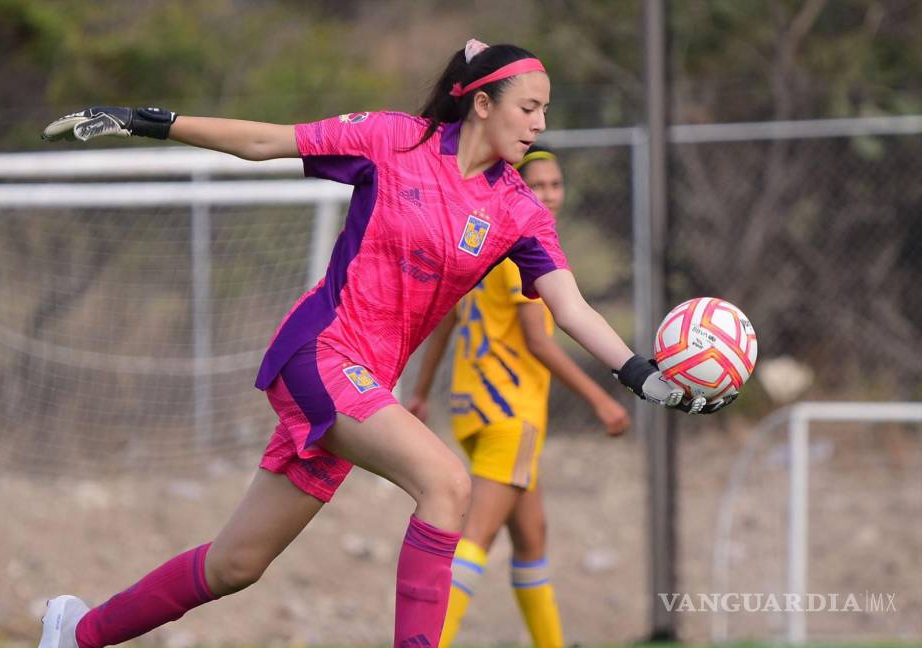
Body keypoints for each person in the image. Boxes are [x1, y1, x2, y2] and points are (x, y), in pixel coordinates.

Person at [37, 38, 728, 648]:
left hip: (368, 385)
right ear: (482, 104)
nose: (541, 123)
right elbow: (266, 141)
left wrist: (643, 375)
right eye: (530, 107)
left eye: (545, 110)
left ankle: (78, 633)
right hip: (319, 353)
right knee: (446, 481)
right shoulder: (395, 139)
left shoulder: (517, 208)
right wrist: (144, 119)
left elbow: (570, 307)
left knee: (236, 565)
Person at [406, 144, 630, 648]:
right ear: (519, 188)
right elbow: (537, 338)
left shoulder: (482, 238)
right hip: (511, 414)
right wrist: (602, 398)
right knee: (475, 540)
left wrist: (421, 392)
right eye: (539, 185)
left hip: (473, 411)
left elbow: (445, 318)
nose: (549, 194)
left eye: (556, 184)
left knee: (532, 538)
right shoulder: (522, 247)